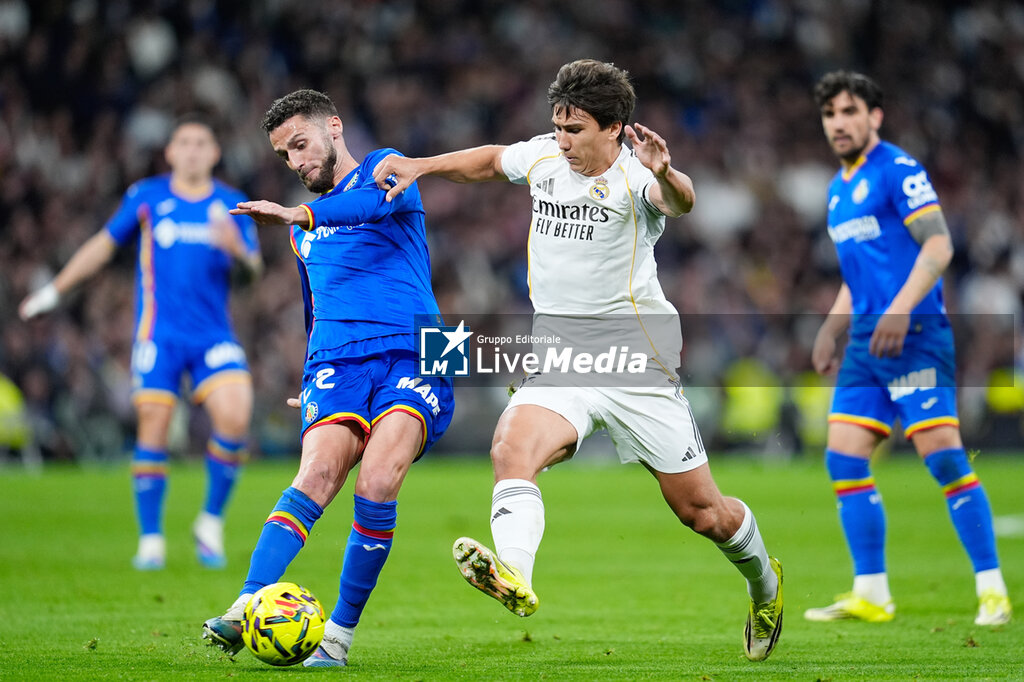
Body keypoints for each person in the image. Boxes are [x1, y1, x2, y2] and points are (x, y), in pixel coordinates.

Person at [372, 59, 783, 661]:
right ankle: (514, 573)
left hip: (636, 362)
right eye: (558, 127)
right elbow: (491, 160)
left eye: (576, 130)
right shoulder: (544, 156)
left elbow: (681, 201)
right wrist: (421, 166)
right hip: (561, 354)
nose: (563, 141)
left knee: (703, 513)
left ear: (613, 128)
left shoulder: (636, 177)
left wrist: (666, 172)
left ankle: (764, 586)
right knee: (511, 449)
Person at [200, 89, 454, 668]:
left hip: (420, 351)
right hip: (336, 362)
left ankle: (337, 636)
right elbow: (315, 309)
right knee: (315, 473)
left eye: (300, 144)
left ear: (334, 127)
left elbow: (365, 205)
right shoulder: (301, 234)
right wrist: (311, 377)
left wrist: (297, 212)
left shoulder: (387, 168)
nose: (295, 161)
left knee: (377, 480)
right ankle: (244, 605)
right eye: (284, 155)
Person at [805, 71, 1012, 626]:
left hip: (915, 339)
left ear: (874, 116)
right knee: (844, 458)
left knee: (942, 456)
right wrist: (830, 330)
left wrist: (900, 308)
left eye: (849, 111)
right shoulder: (837, 189)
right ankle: (872, 591)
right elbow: (856, 277)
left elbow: (939, 244)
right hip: (866, 346)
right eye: (830, 114)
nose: (839, 123)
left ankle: (992, 589)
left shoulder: (898, 169)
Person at [19, 115, 262, 571]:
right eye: (184, 142)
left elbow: (253, 273)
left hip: (213, 335)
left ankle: (210, 522)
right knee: (154, 424)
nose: (192, 150)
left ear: (214, 153)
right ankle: (151, 539)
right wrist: (55, 290)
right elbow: (103, 245)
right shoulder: (148, 197)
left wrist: (238, 251)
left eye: (201, 143)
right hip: (159, 334)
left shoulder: (232, 204)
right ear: (169, 152)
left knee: (236, 418)